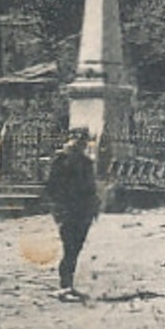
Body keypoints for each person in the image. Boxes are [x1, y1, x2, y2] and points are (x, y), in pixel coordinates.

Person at [44, 128, 99, 300]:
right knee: (69, 247)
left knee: (76, 248)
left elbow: (91, 188)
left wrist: (93, 207)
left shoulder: (87, 162)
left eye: (84, 140)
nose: (81, 143)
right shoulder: (61, 160)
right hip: (67, 210)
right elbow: (51, 187)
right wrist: (59, 209)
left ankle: (68, 285)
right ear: (70, 139)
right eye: (78, 139)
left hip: (83, 211)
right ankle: (65, 286)